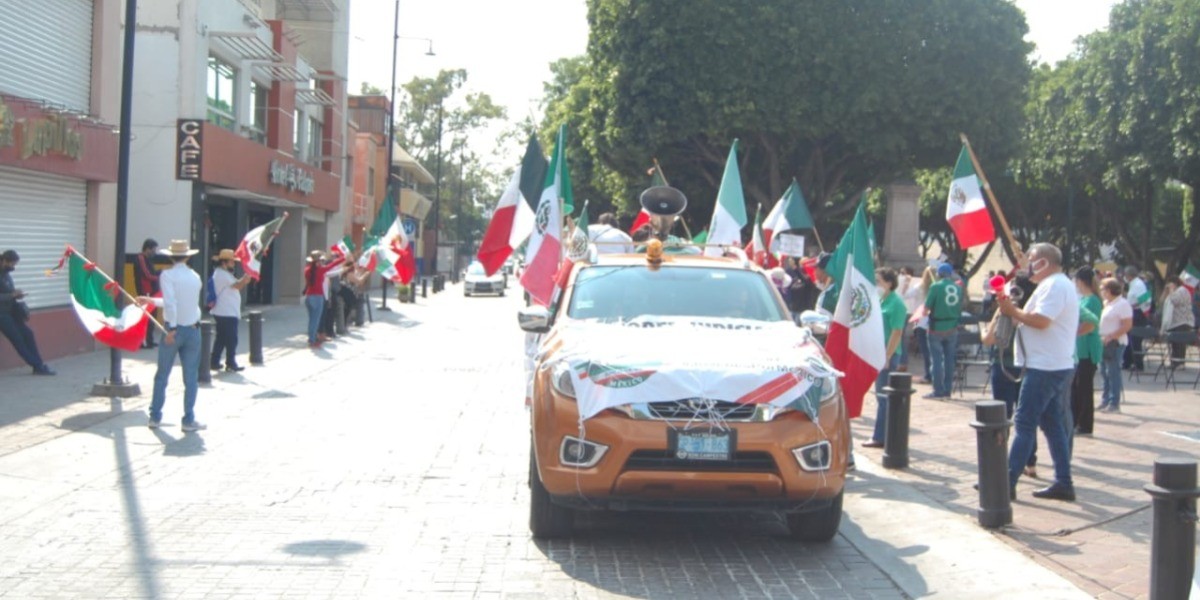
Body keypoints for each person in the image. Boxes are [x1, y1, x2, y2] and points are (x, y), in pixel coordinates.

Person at [999, 243, 1079, 501]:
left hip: (1046, 367)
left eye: (1032, 259)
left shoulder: (1056, 285)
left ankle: (1007, 481)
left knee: (1024, 422)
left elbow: (1042, 321)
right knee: (1052, 423)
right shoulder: (1054, 284)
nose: (1027, 264)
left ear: (1044, 262)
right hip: (1051, 364)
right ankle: (1063, 482)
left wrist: (1014, 312)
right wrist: (1015, 313)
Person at [139, 240, 205, 431]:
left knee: (162, 375)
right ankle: (188, 419)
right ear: (187, 256)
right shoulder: (195, 276)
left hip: (173, 329)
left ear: (170, 256)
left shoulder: (167, 275)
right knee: (190, 377)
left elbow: (171, 303)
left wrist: (172, 329)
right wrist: (152, 300)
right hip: (193, 328)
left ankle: (155, 416)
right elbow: (180, 302)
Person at [980, 275, 1037, 477]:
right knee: (1027, 418)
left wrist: (984, 329)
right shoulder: (1034, 310)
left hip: (1003, 364)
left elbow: (988, 339)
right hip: (1030, 366)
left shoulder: (1005, 309)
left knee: (1001, 417)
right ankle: (1030, 463)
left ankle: (1000, 458)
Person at [864, 267, 908, 448]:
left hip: (888, 355)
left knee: (884, 397)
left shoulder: (897, 304)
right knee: (881, 397)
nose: (876, 285)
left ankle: (880, 437)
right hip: (877, 353)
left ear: (889, 283)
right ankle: (883, 435)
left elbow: (897, 332)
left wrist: (887, 355)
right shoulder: (881, 300)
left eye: (878, 281)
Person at [0, 250, 55, 375]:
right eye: (12, 264)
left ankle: (39, 364)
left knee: (28, 334)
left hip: (11, 312)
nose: (13, 267)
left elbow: (9, 291)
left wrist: (16, 294)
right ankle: (37, 365)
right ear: (4, 261)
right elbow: (7, 294)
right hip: (2, 315)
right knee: (18, 339)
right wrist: (11, 295)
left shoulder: (6, 274)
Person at [923, 263, 963, 399]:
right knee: (949, 360)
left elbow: (925, 309)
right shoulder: (958, 288)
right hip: (952, 326)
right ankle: (947, 390)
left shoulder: (935, 287)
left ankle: (938, 391)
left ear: (939, 274)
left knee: (936, 360)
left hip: (936, 328)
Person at [209, 249, 251, 372]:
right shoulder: (222, 274)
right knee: (232, 338)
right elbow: (237, 285)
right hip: (226, 312)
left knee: (221, 338)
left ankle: (215, 361)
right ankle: (230, 362)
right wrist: (245, 279)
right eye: (232, 261)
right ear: (224, 262)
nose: (233, 263)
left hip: (224, 311)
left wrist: (243, 280)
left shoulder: (221, 273)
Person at [1072, 267, 1103, 436]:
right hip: (1080, 349)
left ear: (1081, 281)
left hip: (1088, 348)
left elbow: (1091, 324)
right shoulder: (1083, 299)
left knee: (1084, 387)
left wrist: (1074, 332)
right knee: (1076, 386)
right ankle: (1076, 419)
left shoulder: (1093, 300)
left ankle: (1085, 424)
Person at [1098, 277, 1134, 413]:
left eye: (1103, 289)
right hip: (1103, 341)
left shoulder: (1122, 304)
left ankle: (1114, 402)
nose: (1101, 291)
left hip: (1115, 342)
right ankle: (1105, 399)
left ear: (1109, 290)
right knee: (1103, 371)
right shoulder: (1107, 303)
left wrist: (1112, 335)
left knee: (1112, 372)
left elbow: (1127, 325)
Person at [303, 250, 344, 348]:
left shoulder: (307, 270)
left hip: (309, 297)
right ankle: (312, 340)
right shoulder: (320, 270)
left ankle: (312, 338)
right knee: (315, 320)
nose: (322, 262)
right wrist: (343, 258)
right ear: (318, 261)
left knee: (311, 320)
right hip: (318, 297)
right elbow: (332, 265)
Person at [1159, 276, 1194, 368]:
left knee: (1180, 343)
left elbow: (1175, 301)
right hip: (1173, 322)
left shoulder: (1182, 291)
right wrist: (1165, 291)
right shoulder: (1173, 293)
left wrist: (1171, 290)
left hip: (1182, 321)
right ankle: (1174, 362)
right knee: (1174, 343)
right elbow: (1162, 302)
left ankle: (1180, 363)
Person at [1121, 266, 1151, 371]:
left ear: (1129, 275)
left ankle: (1138, 364)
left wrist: (1132, 305)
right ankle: (1128, 362)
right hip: (1132, 312)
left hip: (1137, 313)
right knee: (1130, 339)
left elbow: (1144, 299)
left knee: (1135, 340)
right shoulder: (1133, 284)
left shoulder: (1138, 284)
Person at [133, 238, 161, 349]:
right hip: (145, 291)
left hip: (151, 291)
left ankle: (149, 340)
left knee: (152, 316)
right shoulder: (141, 258)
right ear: (147, 249)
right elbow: (146, 275)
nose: (155, 252)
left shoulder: (147, 259)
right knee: (146, 317)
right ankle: (143, 341)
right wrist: (158, 277)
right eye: (153, 249)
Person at [908, 266, 934, 383]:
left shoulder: (919, 287)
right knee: (934, 350)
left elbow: (906, 295)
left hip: (921, 321)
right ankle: (933, 374)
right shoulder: (936, 288)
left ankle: (928, 374)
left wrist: (906, 283)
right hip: (934, 321)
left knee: (925, 350)